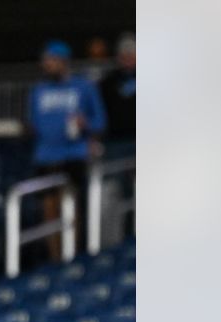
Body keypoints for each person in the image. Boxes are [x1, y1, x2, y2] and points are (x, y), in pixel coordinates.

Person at [28, 40, 108, 259]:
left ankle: (73, 256)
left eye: (52, 60)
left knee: (71, 208)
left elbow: (100, 122)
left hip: (74, 155)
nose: (47, 65)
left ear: (63, 62)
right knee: (49, 211)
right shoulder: (38, 91)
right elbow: (33, 124)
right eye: (46, 60)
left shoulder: (84, 88)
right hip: (45, 157)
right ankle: (56, 259)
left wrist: (86, 125)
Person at [98, 33, 135, 158]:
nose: (128, 58)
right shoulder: (107, 82)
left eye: (131, 54)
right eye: (124, 55)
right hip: (115, 140)